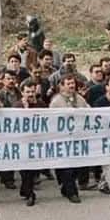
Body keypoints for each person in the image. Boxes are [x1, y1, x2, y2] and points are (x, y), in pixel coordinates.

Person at [48, 75, 89, 203]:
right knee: (67, 168)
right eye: (68, 83)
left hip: (77, 139)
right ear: (62, 85)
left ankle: (66, 187)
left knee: (76, 167)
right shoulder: (56, 101)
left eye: (73, 83)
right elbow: (51, 120)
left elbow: (89, 112)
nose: (71, 86)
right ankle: (72, 192)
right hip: (63, 140)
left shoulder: (80, 99)